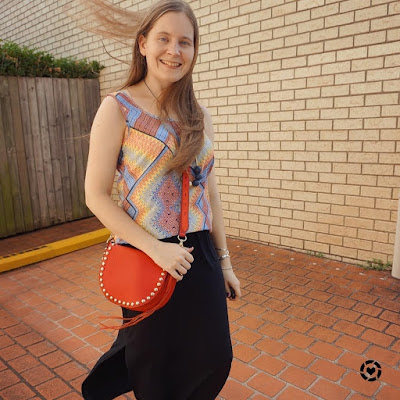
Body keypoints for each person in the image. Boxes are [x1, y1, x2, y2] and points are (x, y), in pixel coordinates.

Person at [81, 0, 241, 399]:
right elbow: (95, 196)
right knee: (154, 369)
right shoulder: (117, 108)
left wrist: (225, 262)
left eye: (185, 42)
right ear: (143, 45)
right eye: (164, 39)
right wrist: (155, 249)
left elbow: (211, 193)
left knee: (214, 357)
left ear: (194, 50)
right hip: (146, 255)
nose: (174, 51)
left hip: (199, 254)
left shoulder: (198, 114)